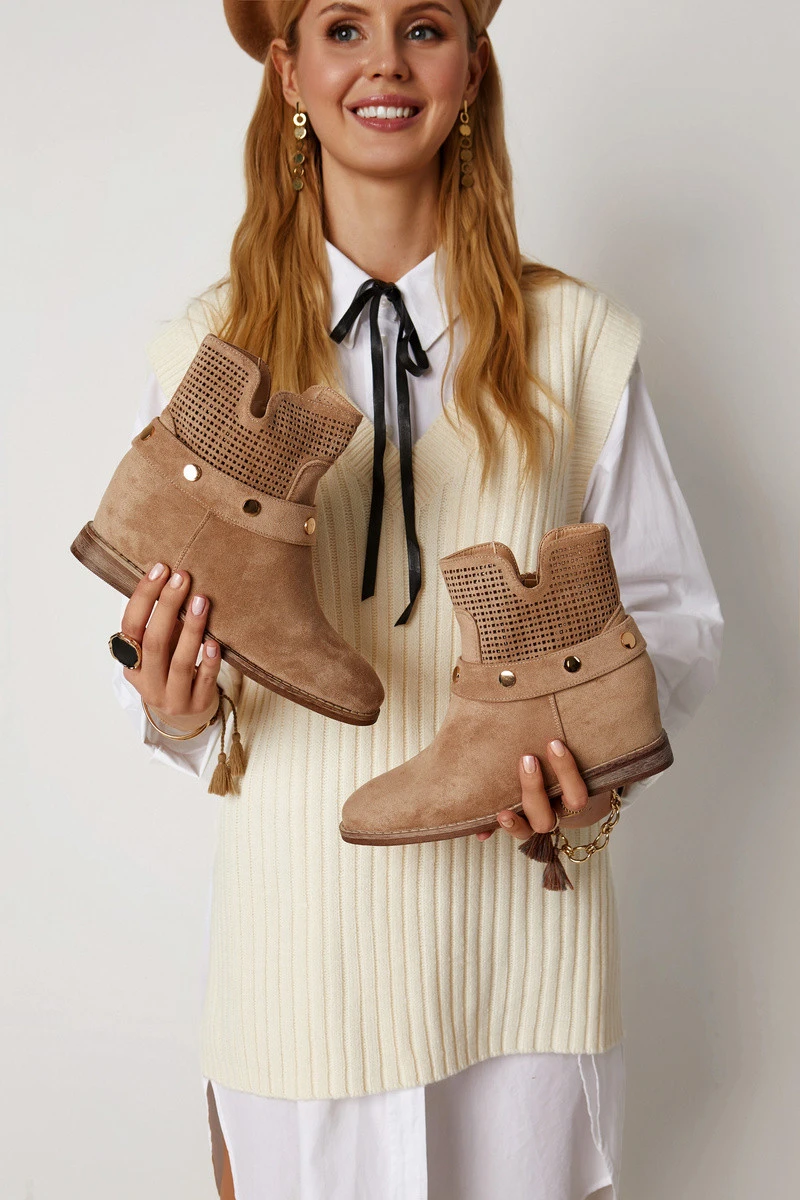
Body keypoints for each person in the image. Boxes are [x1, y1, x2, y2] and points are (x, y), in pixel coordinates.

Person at [109, 2, 724, 1196]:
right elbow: (170, 670)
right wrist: (174, 708)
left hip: (522, 971)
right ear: (288, 70)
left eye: (424, 26)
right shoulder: (209, 356)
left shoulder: (575, 341)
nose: (385, 61)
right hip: (297, 971)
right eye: (342, 27)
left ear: (472, 67)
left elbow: (667, 623)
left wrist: (594, 772)